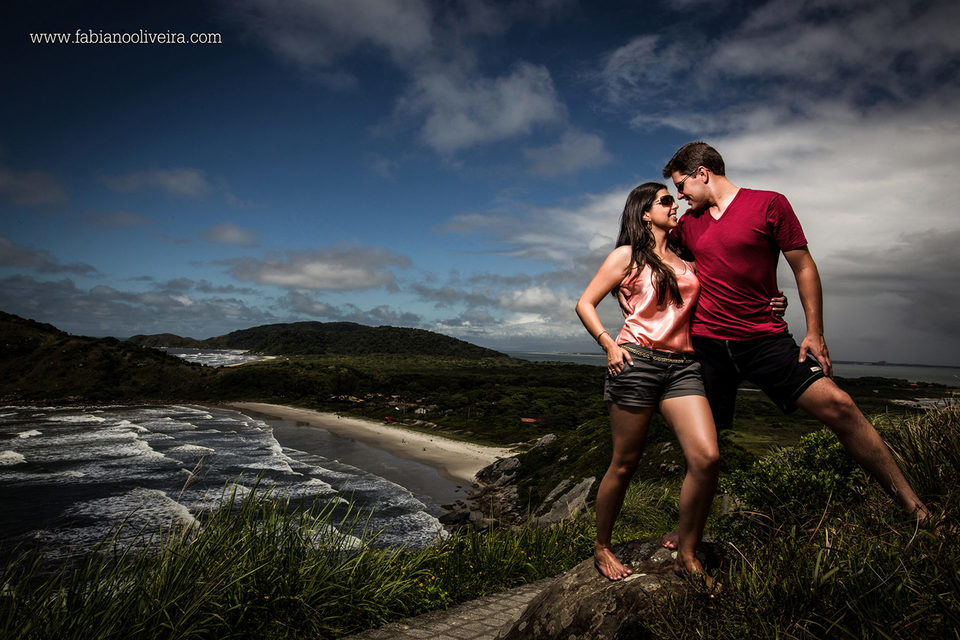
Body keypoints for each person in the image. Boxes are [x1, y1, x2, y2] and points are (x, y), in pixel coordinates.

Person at [657, 141, 932, 549]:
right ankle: (688, 531)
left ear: (702, 173)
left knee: (841, 406)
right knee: (702, 448)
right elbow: (657, 250)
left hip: (764, 340)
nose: (680, 196)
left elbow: (803, 265)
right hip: (708, 346)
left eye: (681, 186)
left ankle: (915, 508)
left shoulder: (769, 204)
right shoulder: (688, 225)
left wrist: (814, 331)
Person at [575, 182, 726, 582]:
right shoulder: (626, 256)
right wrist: (608, 343)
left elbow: (722, 295)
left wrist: (771, 302)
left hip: (682, 366)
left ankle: (687, 550)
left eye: (673, 199)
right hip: (636, 361)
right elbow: (584, 302)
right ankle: (602, 546)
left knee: (706, 457)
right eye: (664, 200)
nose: (673, 204)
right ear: (645, 212)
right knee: (625, 464)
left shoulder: (686, 259)